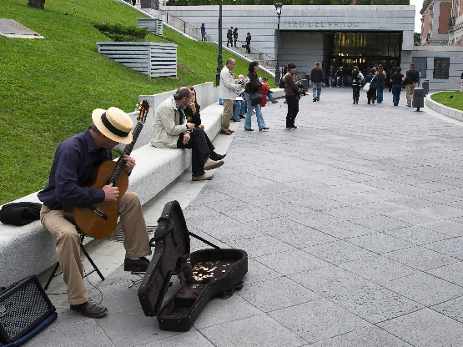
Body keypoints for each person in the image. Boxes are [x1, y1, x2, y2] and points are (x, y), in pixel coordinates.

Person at [38, 107, 151, 319]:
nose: (118, 143)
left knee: (131, 199)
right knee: (68, 235)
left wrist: (124, 170)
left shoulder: (104, 149)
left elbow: (106, 180)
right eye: (116, 139)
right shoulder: (71, 149)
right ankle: (78, 300)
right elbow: (64, 192)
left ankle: (135, 256)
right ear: (103, 134)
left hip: (87, 205)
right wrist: (100, 195)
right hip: (57, 209)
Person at [151, 87, 224, 181]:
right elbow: (171, 130)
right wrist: (186, 127)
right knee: (197, 134)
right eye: (190, 98)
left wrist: (187, 132)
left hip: (174, 135)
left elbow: (184, 122)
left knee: (198, 132)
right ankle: (202, 166)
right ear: (184, 98)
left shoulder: (179, 105)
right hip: (164, 139)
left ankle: (202, 167)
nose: (191, 101)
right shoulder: (167, 107)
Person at [185, 87, 226, 161]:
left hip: (192, 129)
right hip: (186, 131)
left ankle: (211, 156)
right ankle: (212, 155)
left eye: (193, 94)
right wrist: (197, 125)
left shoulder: (196, 106)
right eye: (190, 95)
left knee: (200, 130)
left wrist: (194, 110)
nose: (192, 97)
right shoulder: (184, 107)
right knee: (200, 131)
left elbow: (197, 122)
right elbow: (187, 122)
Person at [219, 58, 242, 134]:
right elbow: (227, 84)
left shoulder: (228, 71)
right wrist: (238, 86)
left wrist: (237, 82)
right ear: (228, 63)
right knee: (227, 112)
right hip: (227, 95)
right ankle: (224, 128)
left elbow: (230, 81)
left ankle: (227, 127)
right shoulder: (225, 71)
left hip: (229, 94)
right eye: (233, 64)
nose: (234, 66)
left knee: (229, 112)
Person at [244, 61, 269, 132]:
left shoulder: (254, 74)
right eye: (257, 66)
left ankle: (261, 125)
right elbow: (254, 84)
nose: (258, 67)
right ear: (254, 66)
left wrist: (260, 83)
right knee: (250, 110)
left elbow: (257, 83)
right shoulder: (250, 75)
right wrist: (261, 84)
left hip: (254, 94)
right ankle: (248, 126)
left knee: (257, 109)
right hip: (250, 94)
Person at [283, 63, 300, 129]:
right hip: (290, 94)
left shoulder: (292, 75)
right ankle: (289, 124)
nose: (295, 69)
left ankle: (291, 123)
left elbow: (294, 84)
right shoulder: (288, 75)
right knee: (291, 110)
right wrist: (298, 90)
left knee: (295, 109)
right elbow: (293, 85)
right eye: (294, 68)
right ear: (290, 69)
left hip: (292, 94)